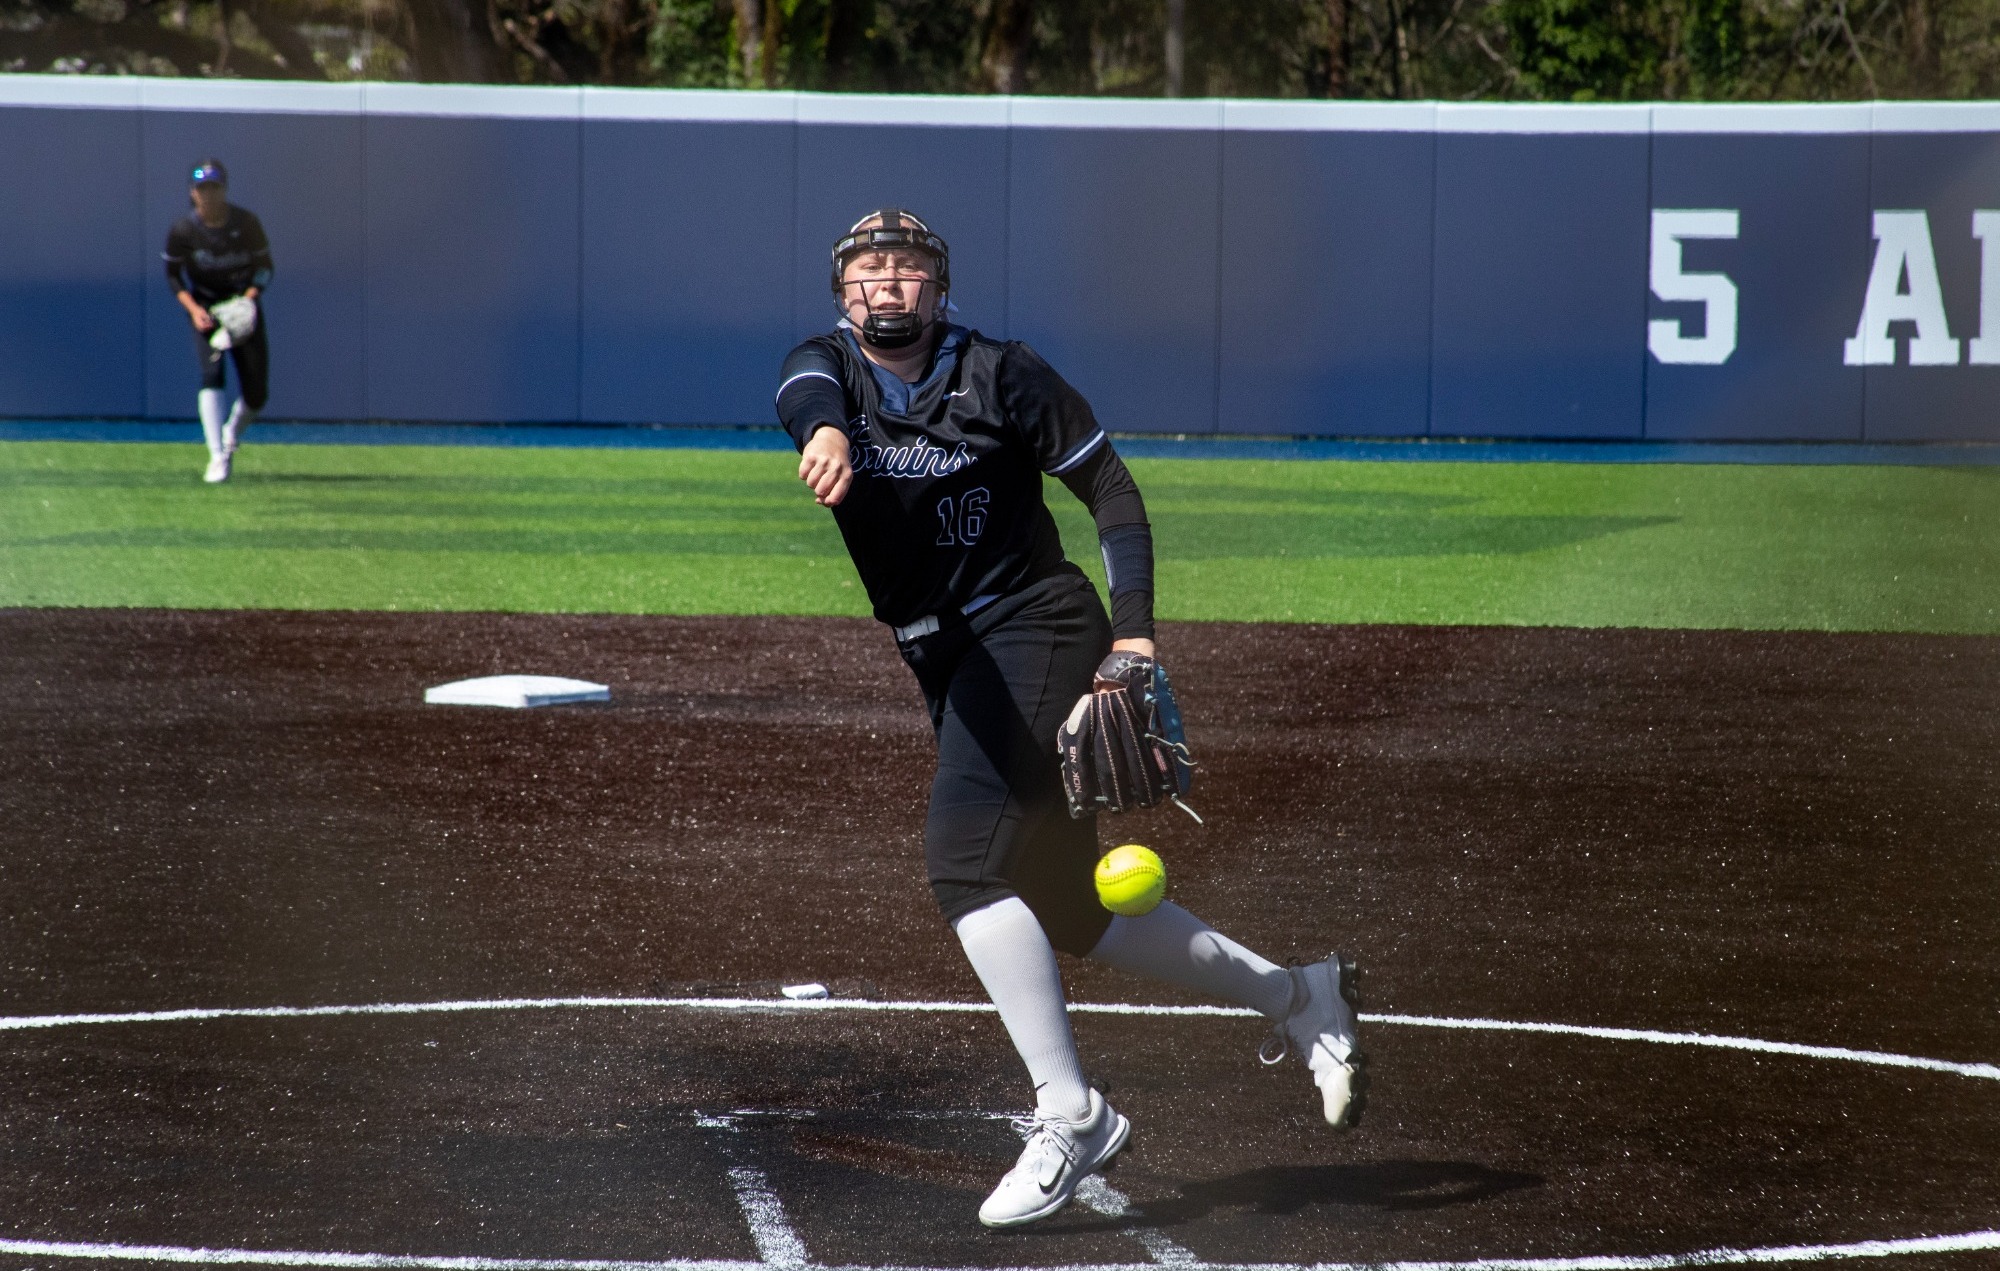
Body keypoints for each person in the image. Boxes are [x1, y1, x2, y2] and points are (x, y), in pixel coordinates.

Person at [775, 209, 1367, 1230]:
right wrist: (824, 431)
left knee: (964, 862)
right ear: (842, 295)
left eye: (907, 269)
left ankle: (1071, 1109)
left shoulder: (1001, 373)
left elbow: (1108, 487)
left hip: (1036, 624)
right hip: (940, 648)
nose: (886, 284)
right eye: (867, 270)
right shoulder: (823, 369)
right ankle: (1298, 995)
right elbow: (808, 396)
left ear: (939, 288)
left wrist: (1131, 635)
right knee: (1061, 901)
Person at [164, 159, 272, 484]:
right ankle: (217, 456)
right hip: (207, 309)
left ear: (224, 190)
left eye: (214, 188)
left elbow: (265, 267)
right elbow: (173, 275)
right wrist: (194, 309)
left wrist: (248, 299)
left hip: (241, 306)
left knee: (256, 394)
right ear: (193, 193)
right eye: (202, 189)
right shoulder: (184, 231)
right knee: (211, 373)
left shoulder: (246, 223)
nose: (208, 195)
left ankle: (232, 433)